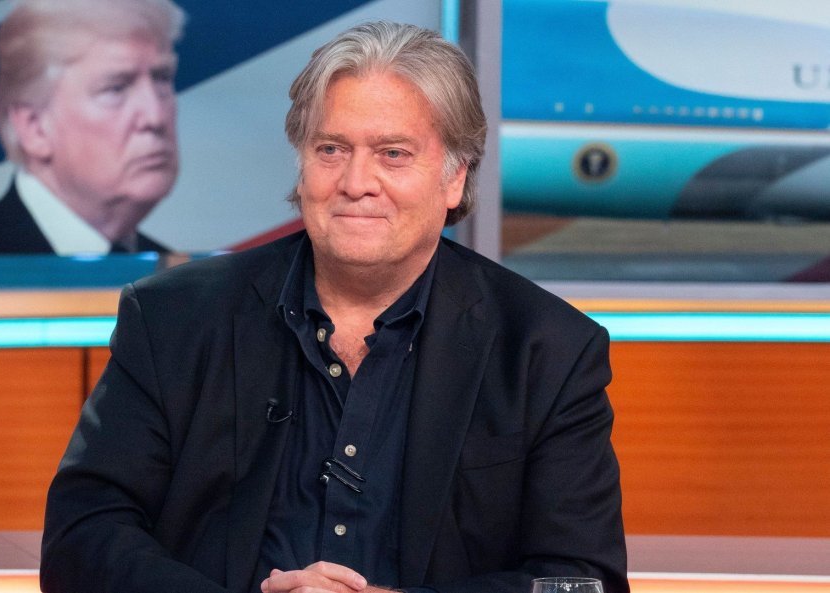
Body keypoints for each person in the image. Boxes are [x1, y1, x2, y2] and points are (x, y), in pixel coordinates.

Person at [41, 21, 629, 593]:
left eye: (393, 153)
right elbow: (81, 538)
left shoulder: (548, 351)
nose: (355, 181)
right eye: (331, 149)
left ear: (455, 178)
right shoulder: (172, 319)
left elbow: (584, 581)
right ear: (301, 166)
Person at [0, 0, 183, 255]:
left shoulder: (177, 269)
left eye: (162, 79)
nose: (155, 116)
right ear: (35, 128)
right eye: (115, 89)